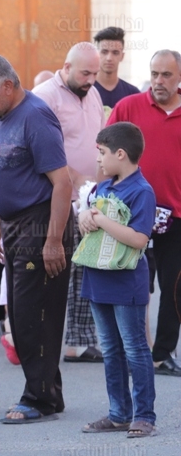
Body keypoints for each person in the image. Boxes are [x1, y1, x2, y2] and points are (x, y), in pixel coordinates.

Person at [0, 54, 74, 423]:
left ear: (7, 86)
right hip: (13, 225)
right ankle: (49, 393)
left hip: (39, 225)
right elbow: (4, 174)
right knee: (20, 314)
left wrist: (54, 241)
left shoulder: (35, 116)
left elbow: (62, 184)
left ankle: (38, 398)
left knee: (35, 317)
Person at [77, 122, 156, 438]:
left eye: (102, 152)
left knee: (135, 349)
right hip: (98, 279)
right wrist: (85, 216)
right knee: (110, 349)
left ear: (120, 154)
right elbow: (89, 220)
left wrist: (99, 219)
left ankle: (144, 416)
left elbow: (138, 239)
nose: (98, 159)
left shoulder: (142, 191)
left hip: (126, 283)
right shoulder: (103, 187)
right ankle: (119, 414)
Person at [108, 49, 181, 377]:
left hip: (176, 216)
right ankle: (126, 350)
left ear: (179, 78)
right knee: (129, 284)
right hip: (130, 213)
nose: (158, 81)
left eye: (166, 74)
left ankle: (161, 354)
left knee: (175, 287)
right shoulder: (128, 107)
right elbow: (105, 152)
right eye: (154, 74)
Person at [33, 42, 106, 364]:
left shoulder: (93, 93)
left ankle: (79, 342)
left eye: (95, 73)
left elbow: (98, 143)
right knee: (55, 273)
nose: (91, 79)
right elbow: (41, 150)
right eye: (85, 73)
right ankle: (36, 342)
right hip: (56, 198)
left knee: (85, 269)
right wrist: (76, 179)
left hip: (89, 197)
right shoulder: (45, 96)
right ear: (66, 67)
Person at [93, 27, 141, 117]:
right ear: (97, 54)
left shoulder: (132, 94)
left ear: (122, 56)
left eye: (115, 53)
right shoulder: (86, 90)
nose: (109, 58)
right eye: (104, 52)